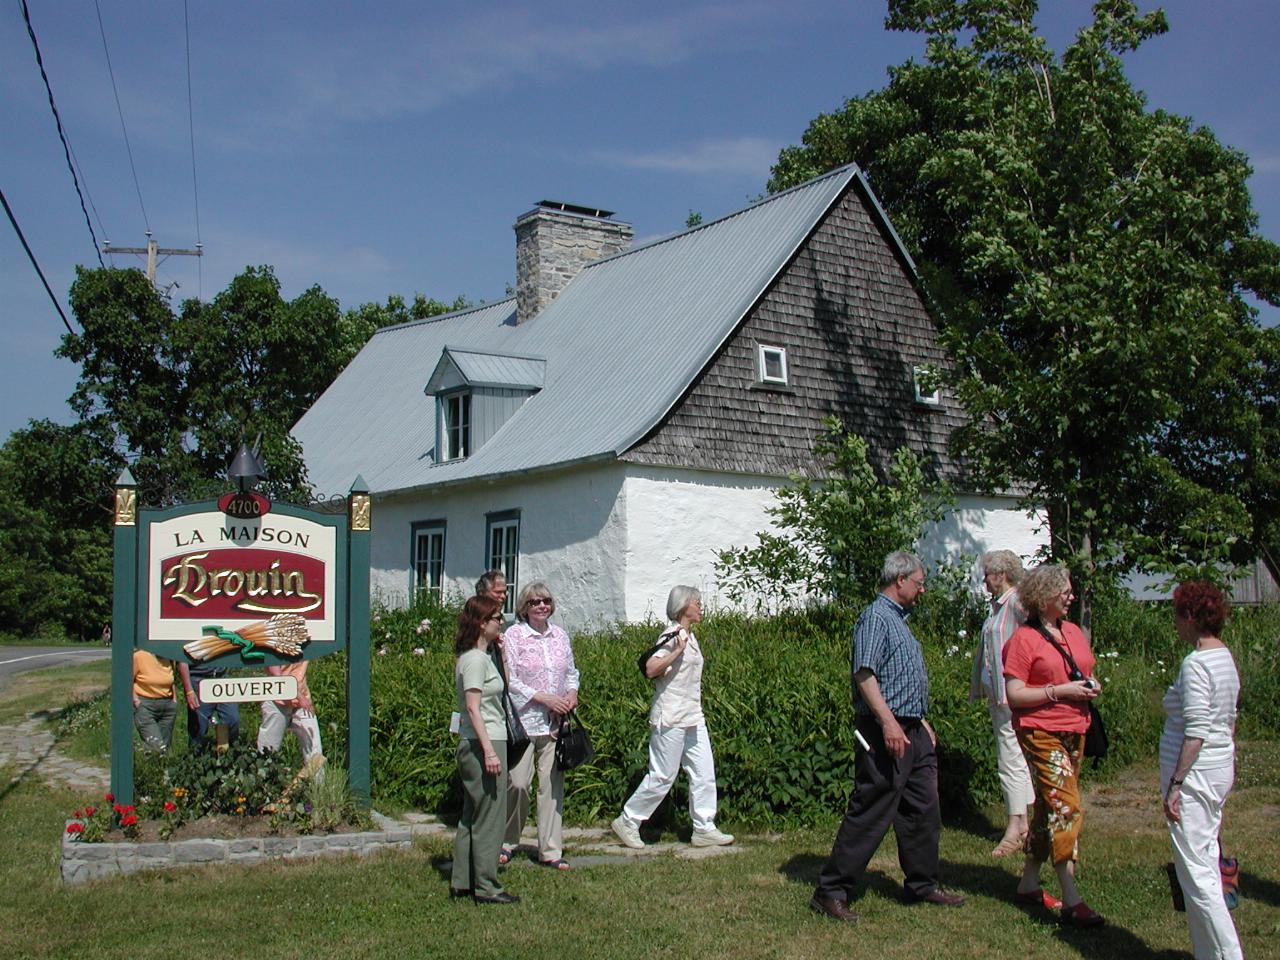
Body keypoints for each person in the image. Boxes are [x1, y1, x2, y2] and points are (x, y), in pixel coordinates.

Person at [811, 551, 964, 923]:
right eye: (919, 582)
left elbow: (901, 678)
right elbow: (865, 675)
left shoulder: (899, 620)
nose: (922, 589)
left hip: (913, 729)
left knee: (923, 809)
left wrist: (918, 721)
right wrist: (890, 723)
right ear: (899, 579)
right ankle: (831, 891)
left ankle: (922, 884)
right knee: (872, 808)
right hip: (885, 731)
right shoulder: (875, 617)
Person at [1002, 563, 1104, 927]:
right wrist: (1060, 691)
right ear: (1044, 597)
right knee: (1067, 806)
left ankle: (1029, 882)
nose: (1071, 596)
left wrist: (1089, 685)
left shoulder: (1074, 631)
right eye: (1065, 592)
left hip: (1075, 728)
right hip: (1040, 731)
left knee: (1048, 806)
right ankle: (1071, 894)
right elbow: (1014, 694)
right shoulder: (1022, 641)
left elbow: (1081, 669)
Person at [611, 585, 734, 850]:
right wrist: (677, 650)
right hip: (671, 717)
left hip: (692, 716)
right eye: (696, 602)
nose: (700, 606)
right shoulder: (671, 635)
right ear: (682, 607)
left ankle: (704, 827)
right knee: (663, 776)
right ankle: (628, 820)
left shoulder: (690, 636)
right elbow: (650, 668)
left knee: (704, 772)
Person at [1162, 581, 1243, 960]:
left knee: (1198, 875)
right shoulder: (1223, 656)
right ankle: (1208, 954)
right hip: (1217, 769)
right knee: (1202, 861)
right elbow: (1228, 720)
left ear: (1191, 617)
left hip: (1196, 777)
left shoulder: (1196, 663)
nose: (1175, 624)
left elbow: (1196, 730)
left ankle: (1229, 954)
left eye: (1177, 616)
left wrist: (1176, 783)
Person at [501, 582, 580, 870]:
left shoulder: (559, 635)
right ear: (524, 607)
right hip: (524, 721)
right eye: (534, 602)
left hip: (554, 724)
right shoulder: (515, 635)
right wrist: (544, 698)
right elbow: (510, 681)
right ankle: (508, 841)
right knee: (518, 784)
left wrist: (571, 694)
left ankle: (550, 849)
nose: (541, 606)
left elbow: (571, 672)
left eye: (545, 600)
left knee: (551, 786)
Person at [451, 594, 519, 904]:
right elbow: (473, 707)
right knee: (491, 815)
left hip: (475, 741)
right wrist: (490, 751)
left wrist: (502, 655)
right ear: (482, 623)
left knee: (472, 813)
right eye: (496, 619)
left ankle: (463, 880)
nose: (501, 622)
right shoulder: (476, 660)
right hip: (484, 741)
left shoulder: (474, 656)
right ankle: (487, 886)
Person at [969, 549, 1035, 857]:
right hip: (1000, 696)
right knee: (1013, 757)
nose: (984, 581)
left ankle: (1016, 825)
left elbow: (1032, 641)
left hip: (1013, 695)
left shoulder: (1018, 604)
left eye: (987, 575)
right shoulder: (997, 608)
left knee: (1012, 759)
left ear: (1001, 575)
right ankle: (1023, 823)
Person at [257, 657, 323, 766]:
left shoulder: (305, 641)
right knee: (268, 751)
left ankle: (319, 783)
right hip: (277, 700)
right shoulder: (273, 641)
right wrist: (299, 696)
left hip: (302, 701)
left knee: (315, 750)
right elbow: (275, 673)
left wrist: (301, 697)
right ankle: (263, 782)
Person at [177, 658, 240, 750]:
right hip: (199, 679)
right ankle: (196, 758)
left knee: (233, 719)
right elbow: (182, 660)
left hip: (221, 678)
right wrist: (189, 691)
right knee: (199, 728)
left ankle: (227, 752)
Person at [132, 649, 177, 753]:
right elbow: (128, 679)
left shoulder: (170, 656)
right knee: (155, 747)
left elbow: (172, 680)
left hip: (167, 706)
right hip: (146, 704)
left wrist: (174, 700)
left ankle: (162, 768)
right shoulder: (139, 656)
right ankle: (153, 766)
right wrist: (136, 700)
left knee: (165, 746)